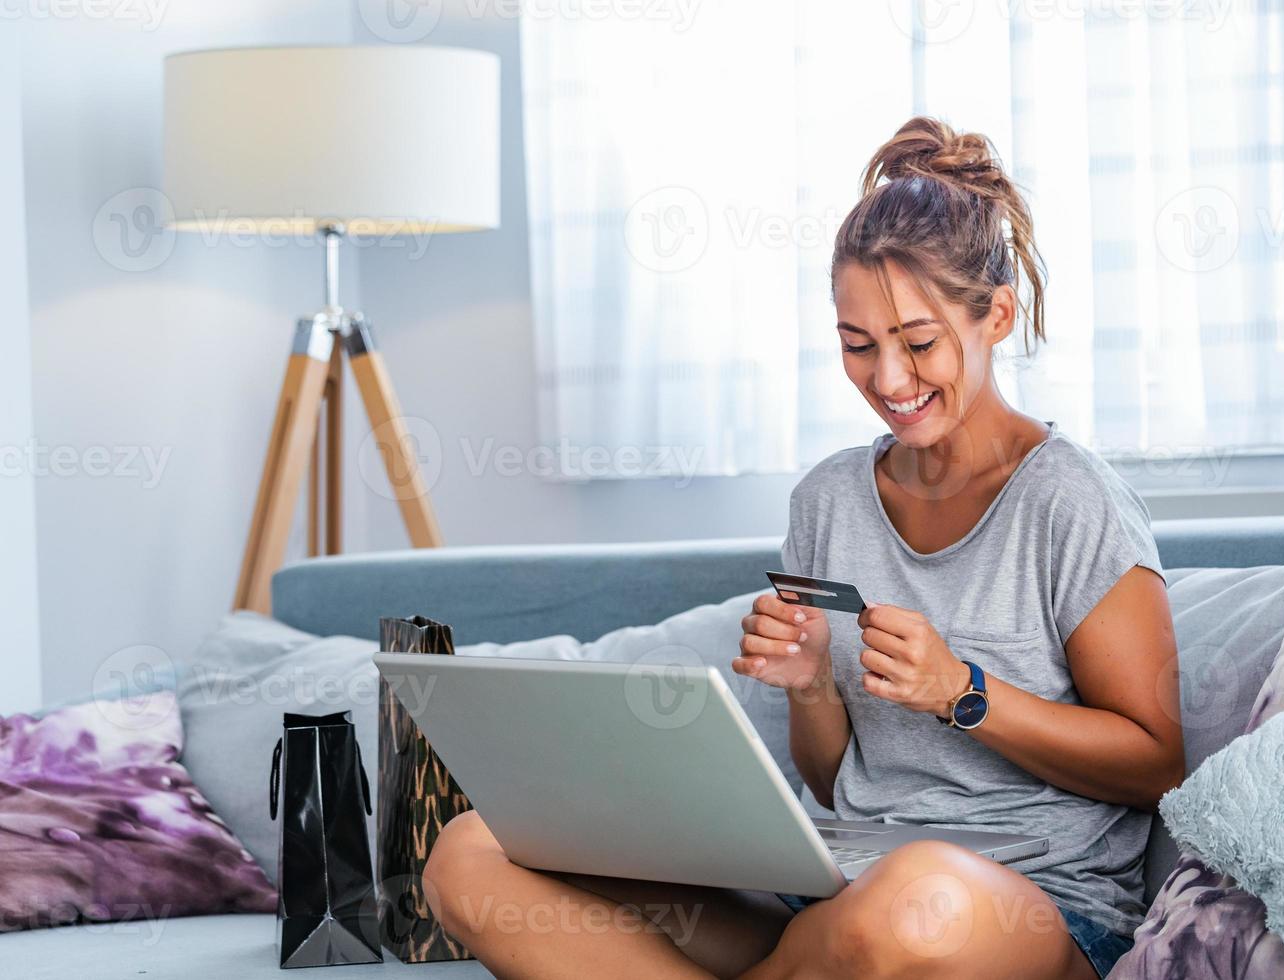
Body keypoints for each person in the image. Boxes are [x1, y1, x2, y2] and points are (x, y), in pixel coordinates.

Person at [422, 116, 1184, 980]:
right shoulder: (827, 501)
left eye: (919, 343)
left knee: (915, 897)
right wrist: (814, 678)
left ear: (996, 315)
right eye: (858, 347)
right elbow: (830, 784)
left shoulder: (1071, 500)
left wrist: (963, 692)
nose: (889, 382)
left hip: (1026, 908)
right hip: (832, 896)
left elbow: (1156, 764)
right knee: (474, 853)